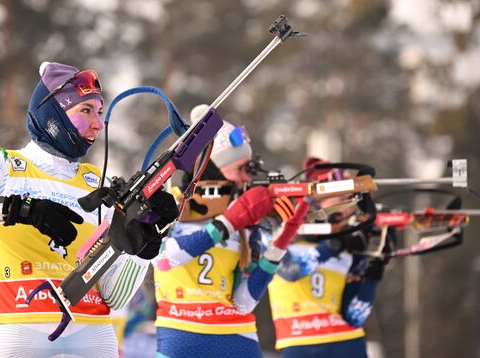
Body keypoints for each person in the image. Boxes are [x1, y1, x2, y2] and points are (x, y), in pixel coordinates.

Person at [0, 62, 171, 357]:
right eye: (86, 111)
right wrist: (14, 209)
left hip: (93, 332)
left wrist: (146, 243)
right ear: (53, 114)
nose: (97, 124)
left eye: (99, 113)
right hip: (21, 325)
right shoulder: (0, 166)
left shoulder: (100, 183)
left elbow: (115, 296)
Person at [152, 105, 309, 358]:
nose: (245, 179)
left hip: (237, 338)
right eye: (239, 169)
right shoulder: (172, 203)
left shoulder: (245, 216)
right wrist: (229, 222)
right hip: (181, 335)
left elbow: (243, 302)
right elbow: (164, 260)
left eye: (249, 169)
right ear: (210, 169)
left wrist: (280, 241)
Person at [267, 157, 390, 358]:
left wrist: (373, 275)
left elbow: (355, 316)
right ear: (317, 201)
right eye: (341, 198)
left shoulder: (348, 246)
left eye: (350, 199)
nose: (347, 207)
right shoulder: (282, 237)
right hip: (299, 342)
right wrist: (332, 247)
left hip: (346, 344)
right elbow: (291, 272)